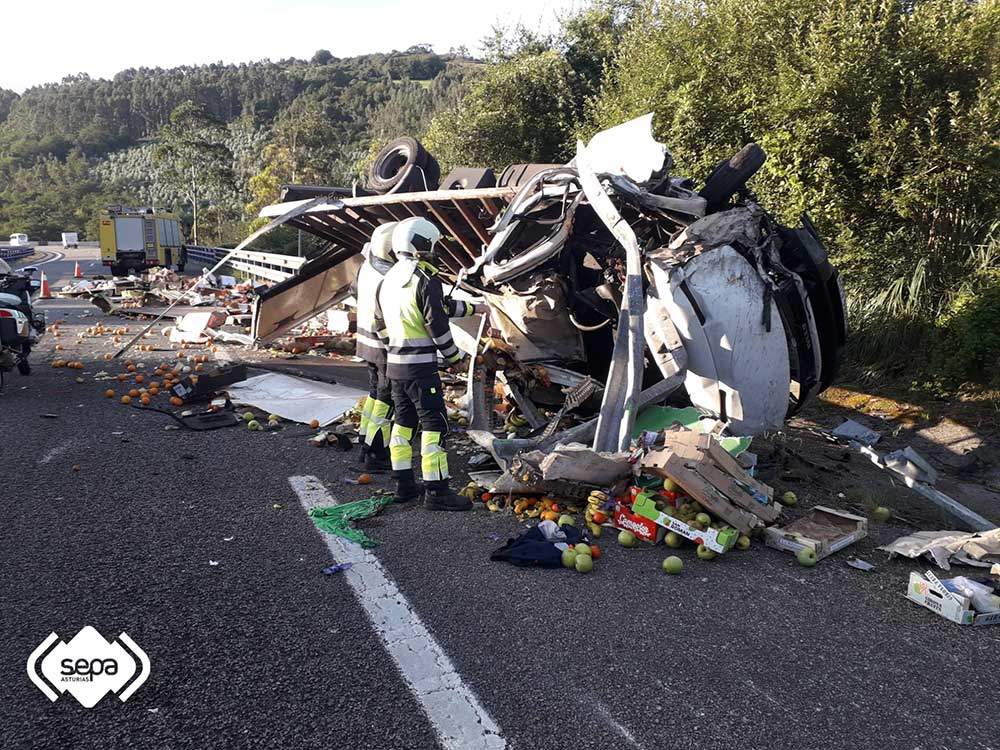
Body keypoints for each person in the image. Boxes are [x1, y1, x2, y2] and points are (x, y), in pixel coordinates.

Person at [374, 217, 484, 510]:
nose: (434, 251)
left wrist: (476, 307)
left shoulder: (388, 280)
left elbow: (380, 324)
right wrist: (456, 358)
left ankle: (404, 486)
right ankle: (437, 492)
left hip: (396, 368)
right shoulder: (425, 280)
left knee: (403, 424)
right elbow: (437, 324)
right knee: (434, 426)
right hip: (421, 371)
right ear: (421, 244)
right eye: (432, 245)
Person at [352, 221, 397, 472]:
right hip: (382, 346)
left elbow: (353, 290)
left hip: (365, 342)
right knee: (386, 400)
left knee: (374, 395)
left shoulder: (366, 265)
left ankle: (365, 442)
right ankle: (377, 453)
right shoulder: (389, 277)